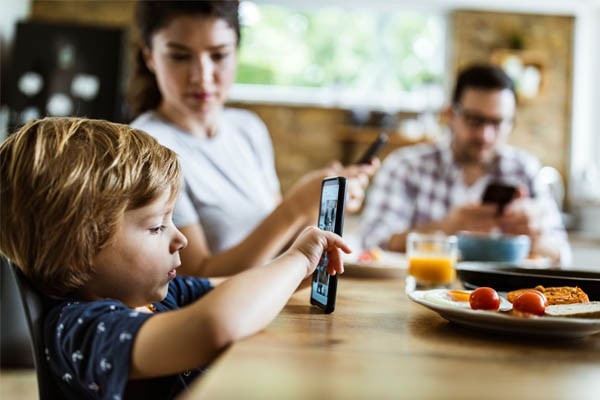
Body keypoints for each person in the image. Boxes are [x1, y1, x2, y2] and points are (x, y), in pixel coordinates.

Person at [0, 117, 350, 400]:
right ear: (79, 250)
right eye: (156, 227)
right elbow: (216, 325)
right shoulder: (82, 329)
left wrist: (301, 270)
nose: (179, 237)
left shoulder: (156, 298)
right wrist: (297, 259)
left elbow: (236, 288)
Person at [127, 0, 376, 277]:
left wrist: (317, 204)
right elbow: (197, 278)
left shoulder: (248, 128)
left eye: (219, 55)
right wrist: (295, 207)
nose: (202, 76)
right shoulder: (145, 148)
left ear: (236, 53)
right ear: (150, 57)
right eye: (180, 56)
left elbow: (279, 249)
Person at [361, 64, 571, 266]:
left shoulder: (525, 169)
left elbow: (562, 255)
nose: (485, 135)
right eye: (474, 120)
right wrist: (448, 227)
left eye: (497, 123)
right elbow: (372, 244)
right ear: (451, 115)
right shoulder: (405, 166)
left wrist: (535, 235)